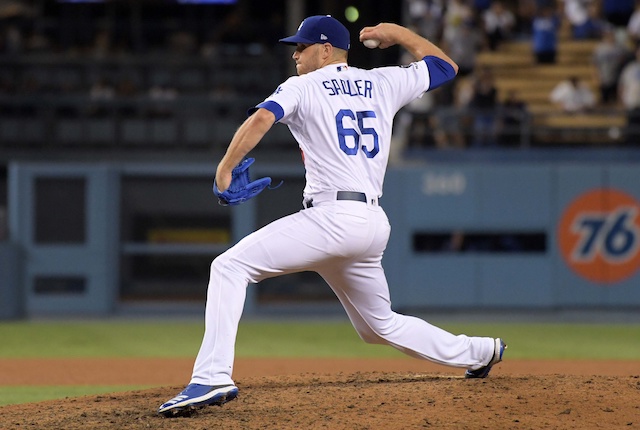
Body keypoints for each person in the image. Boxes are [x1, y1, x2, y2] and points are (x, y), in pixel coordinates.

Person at [157, 15, 506, 417]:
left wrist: (223, 170)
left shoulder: (302, 86)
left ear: (325, 49)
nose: (296, 55)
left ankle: (213, 375)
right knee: (378, 327)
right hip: (371, 223)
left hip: (333, 218)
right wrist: (399, 35)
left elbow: (261, 118)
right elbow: (445, 67)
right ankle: (479, 351)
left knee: (229, 267)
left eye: (302, 47)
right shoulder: (382, 81)